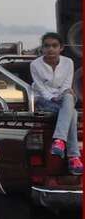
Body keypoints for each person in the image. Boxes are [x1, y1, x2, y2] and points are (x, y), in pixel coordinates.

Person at [30, 32, 82, 175]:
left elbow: (66, 85)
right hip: (43, 99)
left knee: (69, 97)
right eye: (47, 46)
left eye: (54, 45)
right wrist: (52, 98)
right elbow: (40, 87)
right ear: (42, 48)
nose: (50, 49)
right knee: (73, 113)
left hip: (62, 97)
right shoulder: (35, 65)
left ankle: (59, 140)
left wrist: (62, 95)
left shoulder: (68, 62)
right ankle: (73, 156)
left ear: (61, 48)